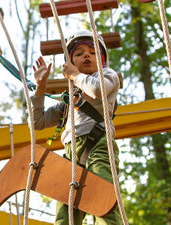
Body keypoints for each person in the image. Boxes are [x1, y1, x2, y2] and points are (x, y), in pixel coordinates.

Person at [31, 30, 122, 225]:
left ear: (102, 60)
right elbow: (37, 122)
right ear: (70, 62)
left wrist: (75, 75)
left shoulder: (108, 75)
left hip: (99, 144)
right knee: (65, 212)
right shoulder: (70, 98)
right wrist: (40, 86)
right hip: (71, 153)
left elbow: (97, 90)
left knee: (102, 198)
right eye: (79, 53)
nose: (86, 55)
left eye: (92, 52)